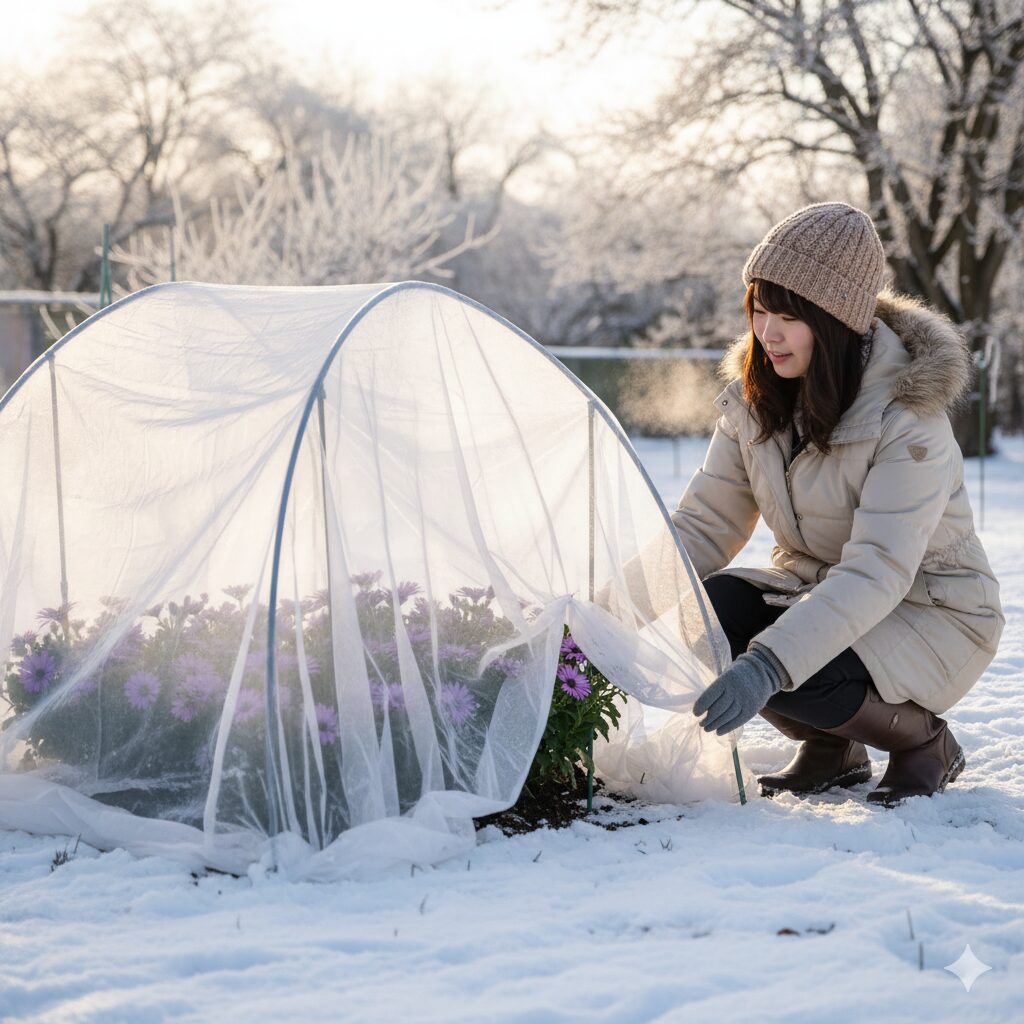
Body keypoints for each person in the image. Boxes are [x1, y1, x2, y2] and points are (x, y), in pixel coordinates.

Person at [674, 201, 1004, 806]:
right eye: (759, 310)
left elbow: (878, 568)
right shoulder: (756, 400)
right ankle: (832, 747)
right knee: (708, 615)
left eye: (787, 317)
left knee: (799, 666)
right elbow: (704, 523)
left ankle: (926, 743)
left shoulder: (908, 416)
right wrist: (610, 601)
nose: (766, 333)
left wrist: (768, 667)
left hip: (932, 608)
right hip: (819, 589)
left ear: (833, 320)